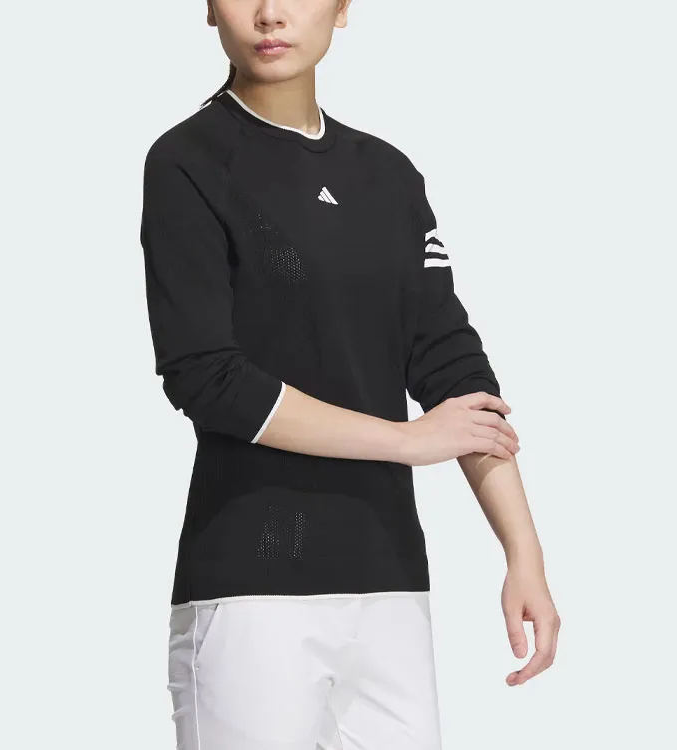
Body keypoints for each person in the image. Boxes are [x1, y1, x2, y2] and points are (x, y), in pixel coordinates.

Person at [138, 2, 560, 748]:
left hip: (390, 587)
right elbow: (206, 377)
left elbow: (453, 365)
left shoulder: (388, 175)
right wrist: (405, 441)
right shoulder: (188, 161)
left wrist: (523, 552)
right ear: (208, 8)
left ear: (341, 8)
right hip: (251, 592)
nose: (269, 13)